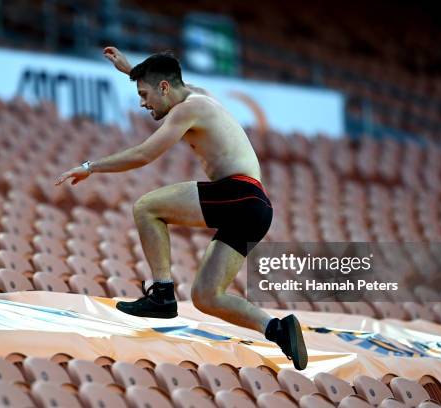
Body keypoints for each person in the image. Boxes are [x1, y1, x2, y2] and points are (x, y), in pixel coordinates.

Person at [55, 47, 307, 370]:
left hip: (241, 194)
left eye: (144, 95)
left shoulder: (188, 110)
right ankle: (277, 329)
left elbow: (145, 154)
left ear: (163, 88)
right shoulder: (199, 95)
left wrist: (90, 166)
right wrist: (132, 71)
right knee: (206, 295)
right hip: (256, 207)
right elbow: (167, 80)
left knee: (147, 208)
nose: (142, 103)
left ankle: (161, 294)